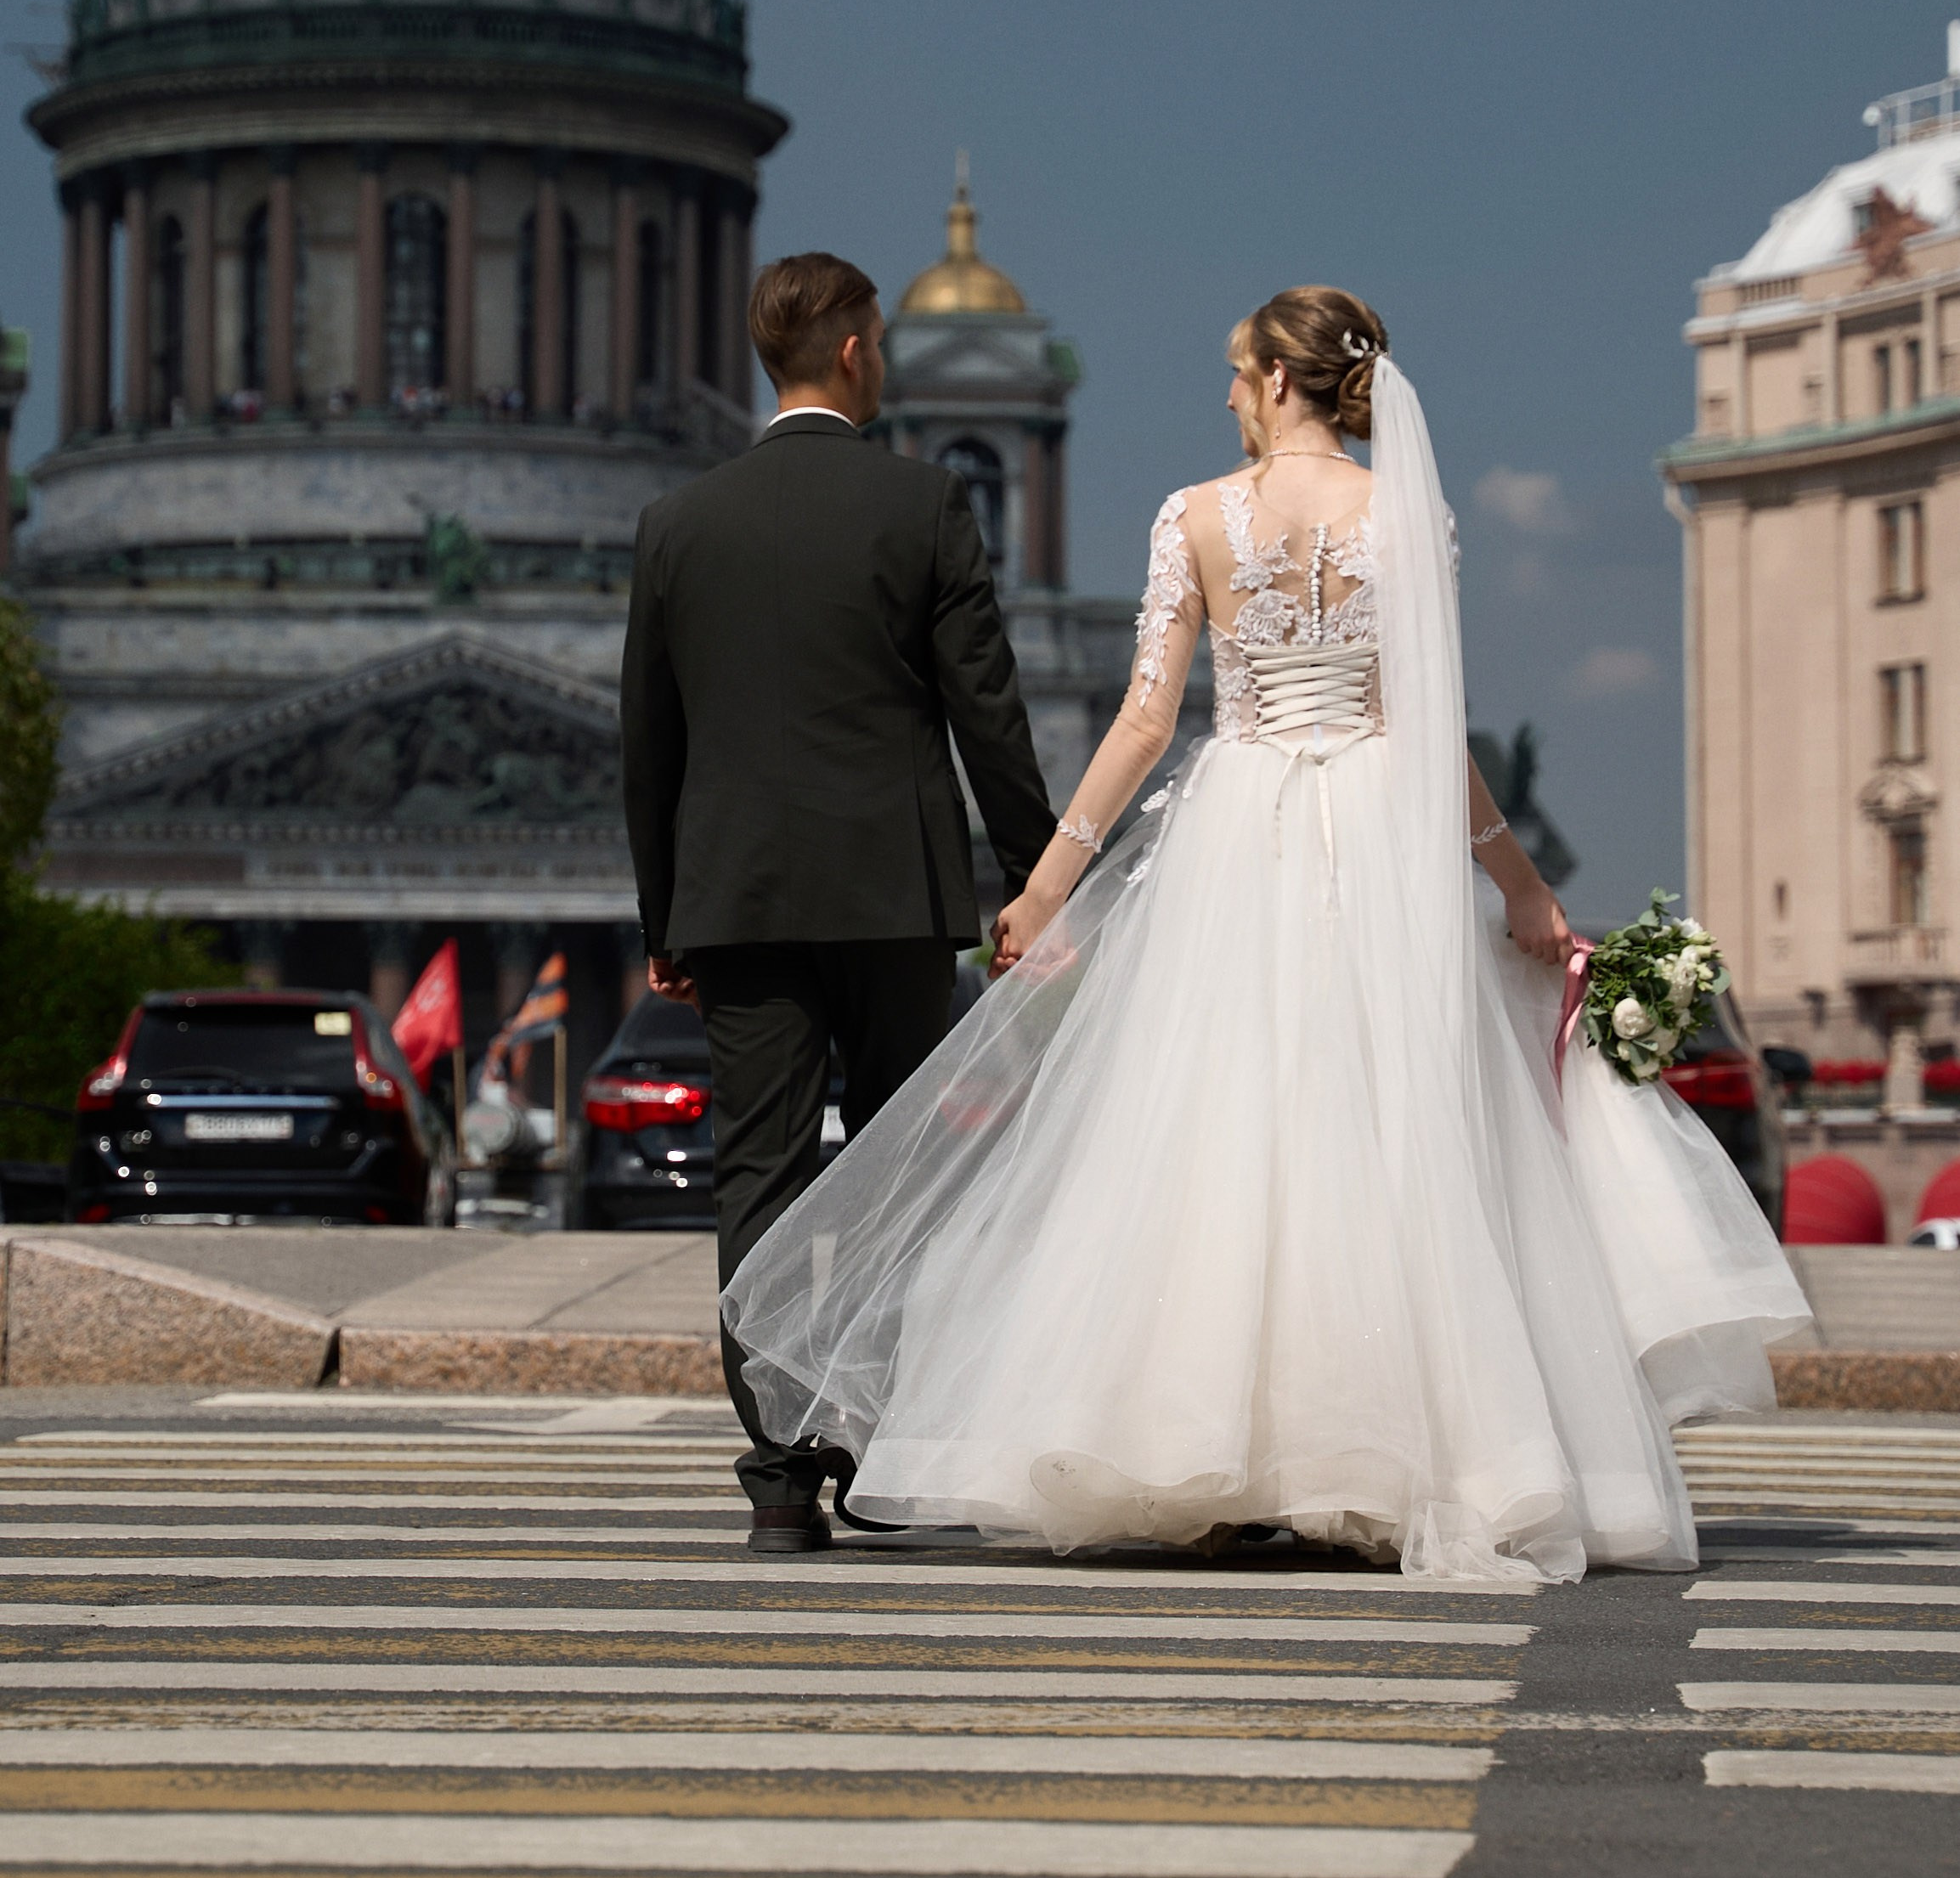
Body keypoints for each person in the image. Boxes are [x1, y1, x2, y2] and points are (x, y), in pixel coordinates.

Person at [723, 285, 1811, 1582]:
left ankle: (1214, 1449)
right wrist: (1518, 884)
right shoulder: (1408, 519)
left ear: (1282, 380)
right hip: (1380, 838)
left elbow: (1142, 721)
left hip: (1237, 834)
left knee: (1222, 1134)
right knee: (1387, 1132)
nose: (1227, 394)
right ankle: (1406, 1450)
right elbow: (1429, 730)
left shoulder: (1195, 517)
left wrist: (1053, 878)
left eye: (1238, 372)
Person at [620, 251, 1056, 1553]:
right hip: (891, 894)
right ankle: (878, 1447)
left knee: (755, 1177)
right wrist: (1043, 878)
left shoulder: (678, 522)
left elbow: (651, 749)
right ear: (860, 351)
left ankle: (776, 1472)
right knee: (898, 1173)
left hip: (739, 900)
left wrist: (666, 922)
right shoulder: (923, 505)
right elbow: (990, 717)